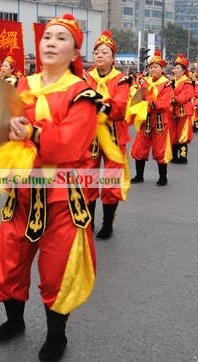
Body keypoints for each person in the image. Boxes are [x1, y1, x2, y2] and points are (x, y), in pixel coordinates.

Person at [0, 14, 99, 361]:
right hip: (22, 194)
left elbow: (71, 145)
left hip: (61, 198)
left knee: (56, 273)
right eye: (47, 36)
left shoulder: (83, 93)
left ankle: (56, 336)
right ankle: (14, 322)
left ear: (75, 50)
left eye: (61, 38)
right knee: (7, 265)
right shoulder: (21, 85)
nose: (50, 42)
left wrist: (33, 132)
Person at [85, 30, 131, 239]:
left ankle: (107, 224)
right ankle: (89, 221)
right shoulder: (86, 78)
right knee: (88, 179)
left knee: (111, 182)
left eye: (105, 52)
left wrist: (100, 106)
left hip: (113, 138)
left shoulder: (121, 81)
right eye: (96, 53)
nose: (100, 56)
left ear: (113, 57)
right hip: (91, 138)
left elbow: (120, 107)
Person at [130, 50, 174, 186]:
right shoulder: (145, 82)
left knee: (160, 149)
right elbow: (138, 96)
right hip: (146, 119)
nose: (153, 69)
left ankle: (163, 177)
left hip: (160, 120)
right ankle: (139, 175)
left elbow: (166, 103)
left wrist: (150, 102)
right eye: (151, 67)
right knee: (140, 146)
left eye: (156, 67)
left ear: (162, 68)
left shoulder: (166, 84)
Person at [170, 54, 194, 164]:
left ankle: (183, 157)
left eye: (178, 68)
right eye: (175, 68)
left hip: (184, 111)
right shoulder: (172, 82)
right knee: (173, 134)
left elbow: (186, 95)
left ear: (184, 70)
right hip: (173, 112)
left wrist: (174, 99)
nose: (175, 70)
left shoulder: (187, 82)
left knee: (182, 134)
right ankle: (174, 156)